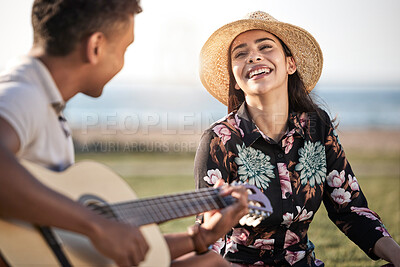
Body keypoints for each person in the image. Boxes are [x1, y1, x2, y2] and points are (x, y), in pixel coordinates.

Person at [0, 1, 249, 266]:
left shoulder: (43, 102)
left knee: (209, 263)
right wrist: (96, 225)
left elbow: (66, 243)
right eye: (124, 49)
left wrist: (201, 237)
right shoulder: (22, 94)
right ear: (95, 47)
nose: (122, 61)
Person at [194, 11, 400, 266]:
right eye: (240, 53)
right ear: (235, 80)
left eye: (265, 47)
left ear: (290, 64)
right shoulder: (219, 140)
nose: (254, 56)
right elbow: (208, 237)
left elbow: (350, 210)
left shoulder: (317, 126)